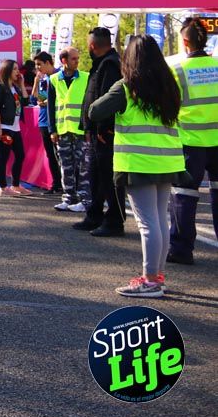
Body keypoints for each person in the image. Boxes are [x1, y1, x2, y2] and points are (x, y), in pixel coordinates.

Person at [89, 35, 185, 298]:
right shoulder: (170, 85)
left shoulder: (127, 87)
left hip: (139, 162)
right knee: (159, 220)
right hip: (168, 160)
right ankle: (158, 275)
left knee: (147, 223)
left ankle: (150, 280)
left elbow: (95, 111)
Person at [168, 17, 218, 265]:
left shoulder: (177, 70)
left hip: (190, 142)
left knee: (184, 196)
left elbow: (167, 106)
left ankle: (181, 250)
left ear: (185, 41)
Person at [76, 27, 127, 237]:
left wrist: (101, 127)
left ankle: (115, 220)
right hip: (96, 132)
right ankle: (94, 216)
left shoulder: (110, 65)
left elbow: (108, 99)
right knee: (97, 177)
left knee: (109, 179)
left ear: (92, 46)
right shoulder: (101, 64)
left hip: (105, 133)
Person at [48, 48, 90, 212]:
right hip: (62, 130)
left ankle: (85, 199)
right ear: (64, 60)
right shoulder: (53, 80)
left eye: (77, 58)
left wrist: (88, 128)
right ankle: (68, 198)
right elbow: (51, 107)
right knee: (65, 166)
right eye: (73, 59)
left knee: (83, 166)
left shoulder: (86, 78)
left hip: (80, 131)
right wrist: (52, 130)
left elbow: (88, 104)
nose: (77, 61)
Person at [0, 60, 32, 196]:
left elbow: (26, 102)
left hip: (15, 127)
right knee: (4, 157)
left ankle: (15, 185)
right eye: (14, 69)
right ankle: (3, 187)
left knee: (20, 155)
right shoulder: (0, 87)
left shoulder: (15, 88)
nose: (17, 72)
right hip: (4, 127)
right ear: (7, 71)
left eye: (17, 69)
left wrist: (21, 84)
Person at [32, 51, 65, 199]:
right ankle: (56, 184)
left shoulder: (59, 75)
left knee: (61, 155)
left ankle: (68, 185)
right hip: (43, 121)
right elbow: (35, 99)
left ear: (48, 63)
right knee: (51, 155)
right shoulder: (43, 78)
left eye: (39, 64)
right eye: (36, 65)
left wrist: (49, 102)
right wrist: (36, 82)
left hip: (57, 121)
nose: (38, 67)